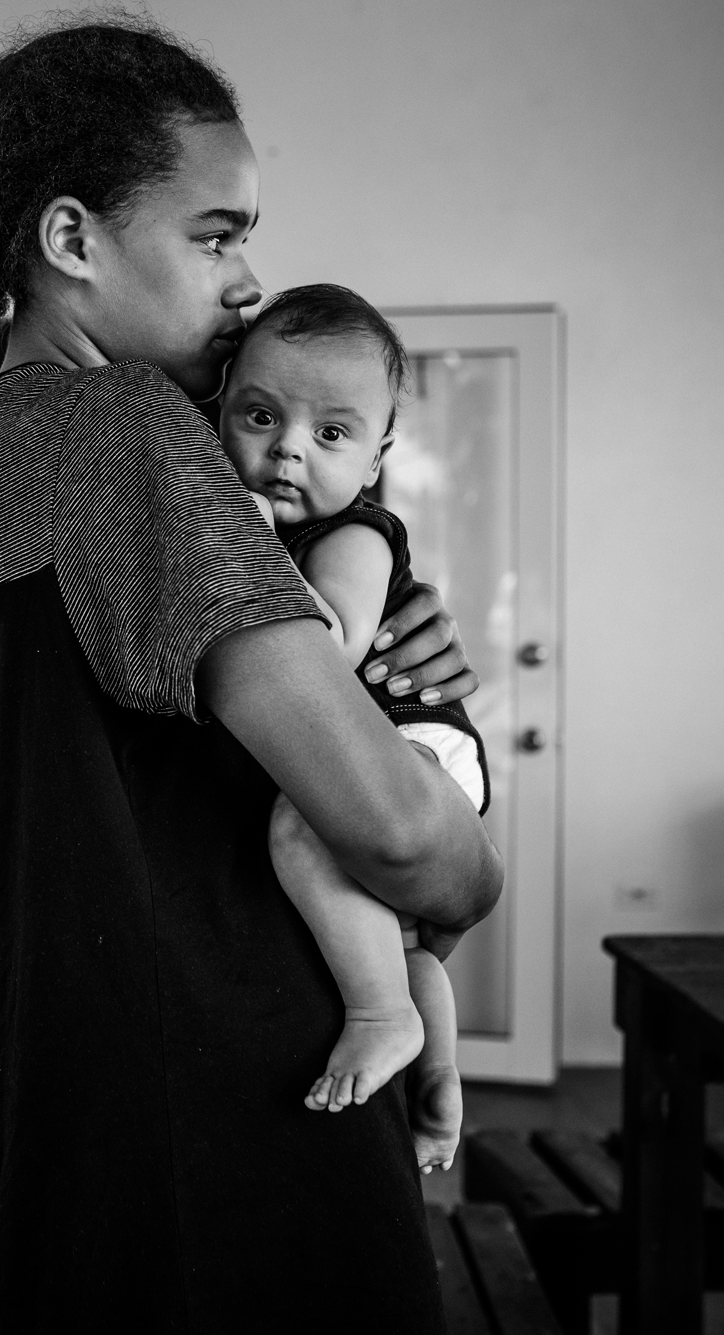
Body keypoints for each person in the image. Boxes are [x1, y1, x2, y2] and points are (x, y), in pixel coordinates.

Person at [0, 16, 503, 1329]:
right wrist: (468, 858)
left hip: (90, 1105)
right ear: (70, 240)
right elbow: (395, 832)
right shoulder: (130, 430)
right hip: (251, 1098)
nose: (245, 279)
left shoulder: (1, 451)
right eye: (216, 233)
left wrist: (373, 636)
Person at [220, 284, 491, 1176]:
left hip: (422, 739)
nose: (288, 447)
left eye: (330, 433)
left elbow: (326, 644)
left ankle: (382, 1016)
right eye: (260, 415)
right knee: (390, 931)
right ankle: (441, 1080)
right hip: (387, 740)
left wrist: (242, 539)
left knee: (305, 823)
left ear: (375, 459)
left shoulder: (357, 538)